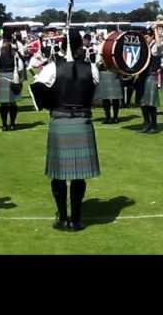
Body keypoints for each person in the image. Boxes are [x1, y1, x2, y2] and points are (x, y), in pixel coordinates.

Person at [31, 29, 100, 231]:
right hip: (83, 122)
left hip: (59, 121)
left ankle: (63, 218)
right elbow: (95, 98)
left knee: (59, 174)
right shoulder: (92, 69)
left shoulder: (52, 68)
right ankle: (76, 219)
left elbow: (36, 91)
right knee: (78, 175)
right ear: (80, 46)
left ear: (62, 46)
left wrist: (51, 102)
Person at [0, 32, 23, 131]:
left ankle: (4, 125)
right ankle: (12, 124)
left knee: (3, 103)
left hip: (2, 77)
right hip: (14, 77)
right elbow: (21, 67)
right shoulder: (15, 52)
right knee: (13, 103)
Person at [136, 26, 163, 133]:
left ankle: (153, 125)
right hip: (142, 77)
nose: (145, 38)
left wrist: (156, 30)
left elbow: (158, 44)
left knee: (151, 103)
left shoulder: (154, 47)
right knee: (142, 102)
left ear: (152, 36)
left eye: (147, 36)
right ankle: (147, 123)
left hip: (151, 76)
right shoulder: (144, 46)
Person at [93, 37, 123, 124]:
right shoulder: (99, 47)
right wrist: (100, 62)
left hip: (114, 72)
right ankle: (108, 117)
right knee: (105, 97)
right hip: (104, 72)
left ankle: (116, 117)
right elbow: (97, 61)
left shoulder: (116, 47)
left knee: (115, 97)